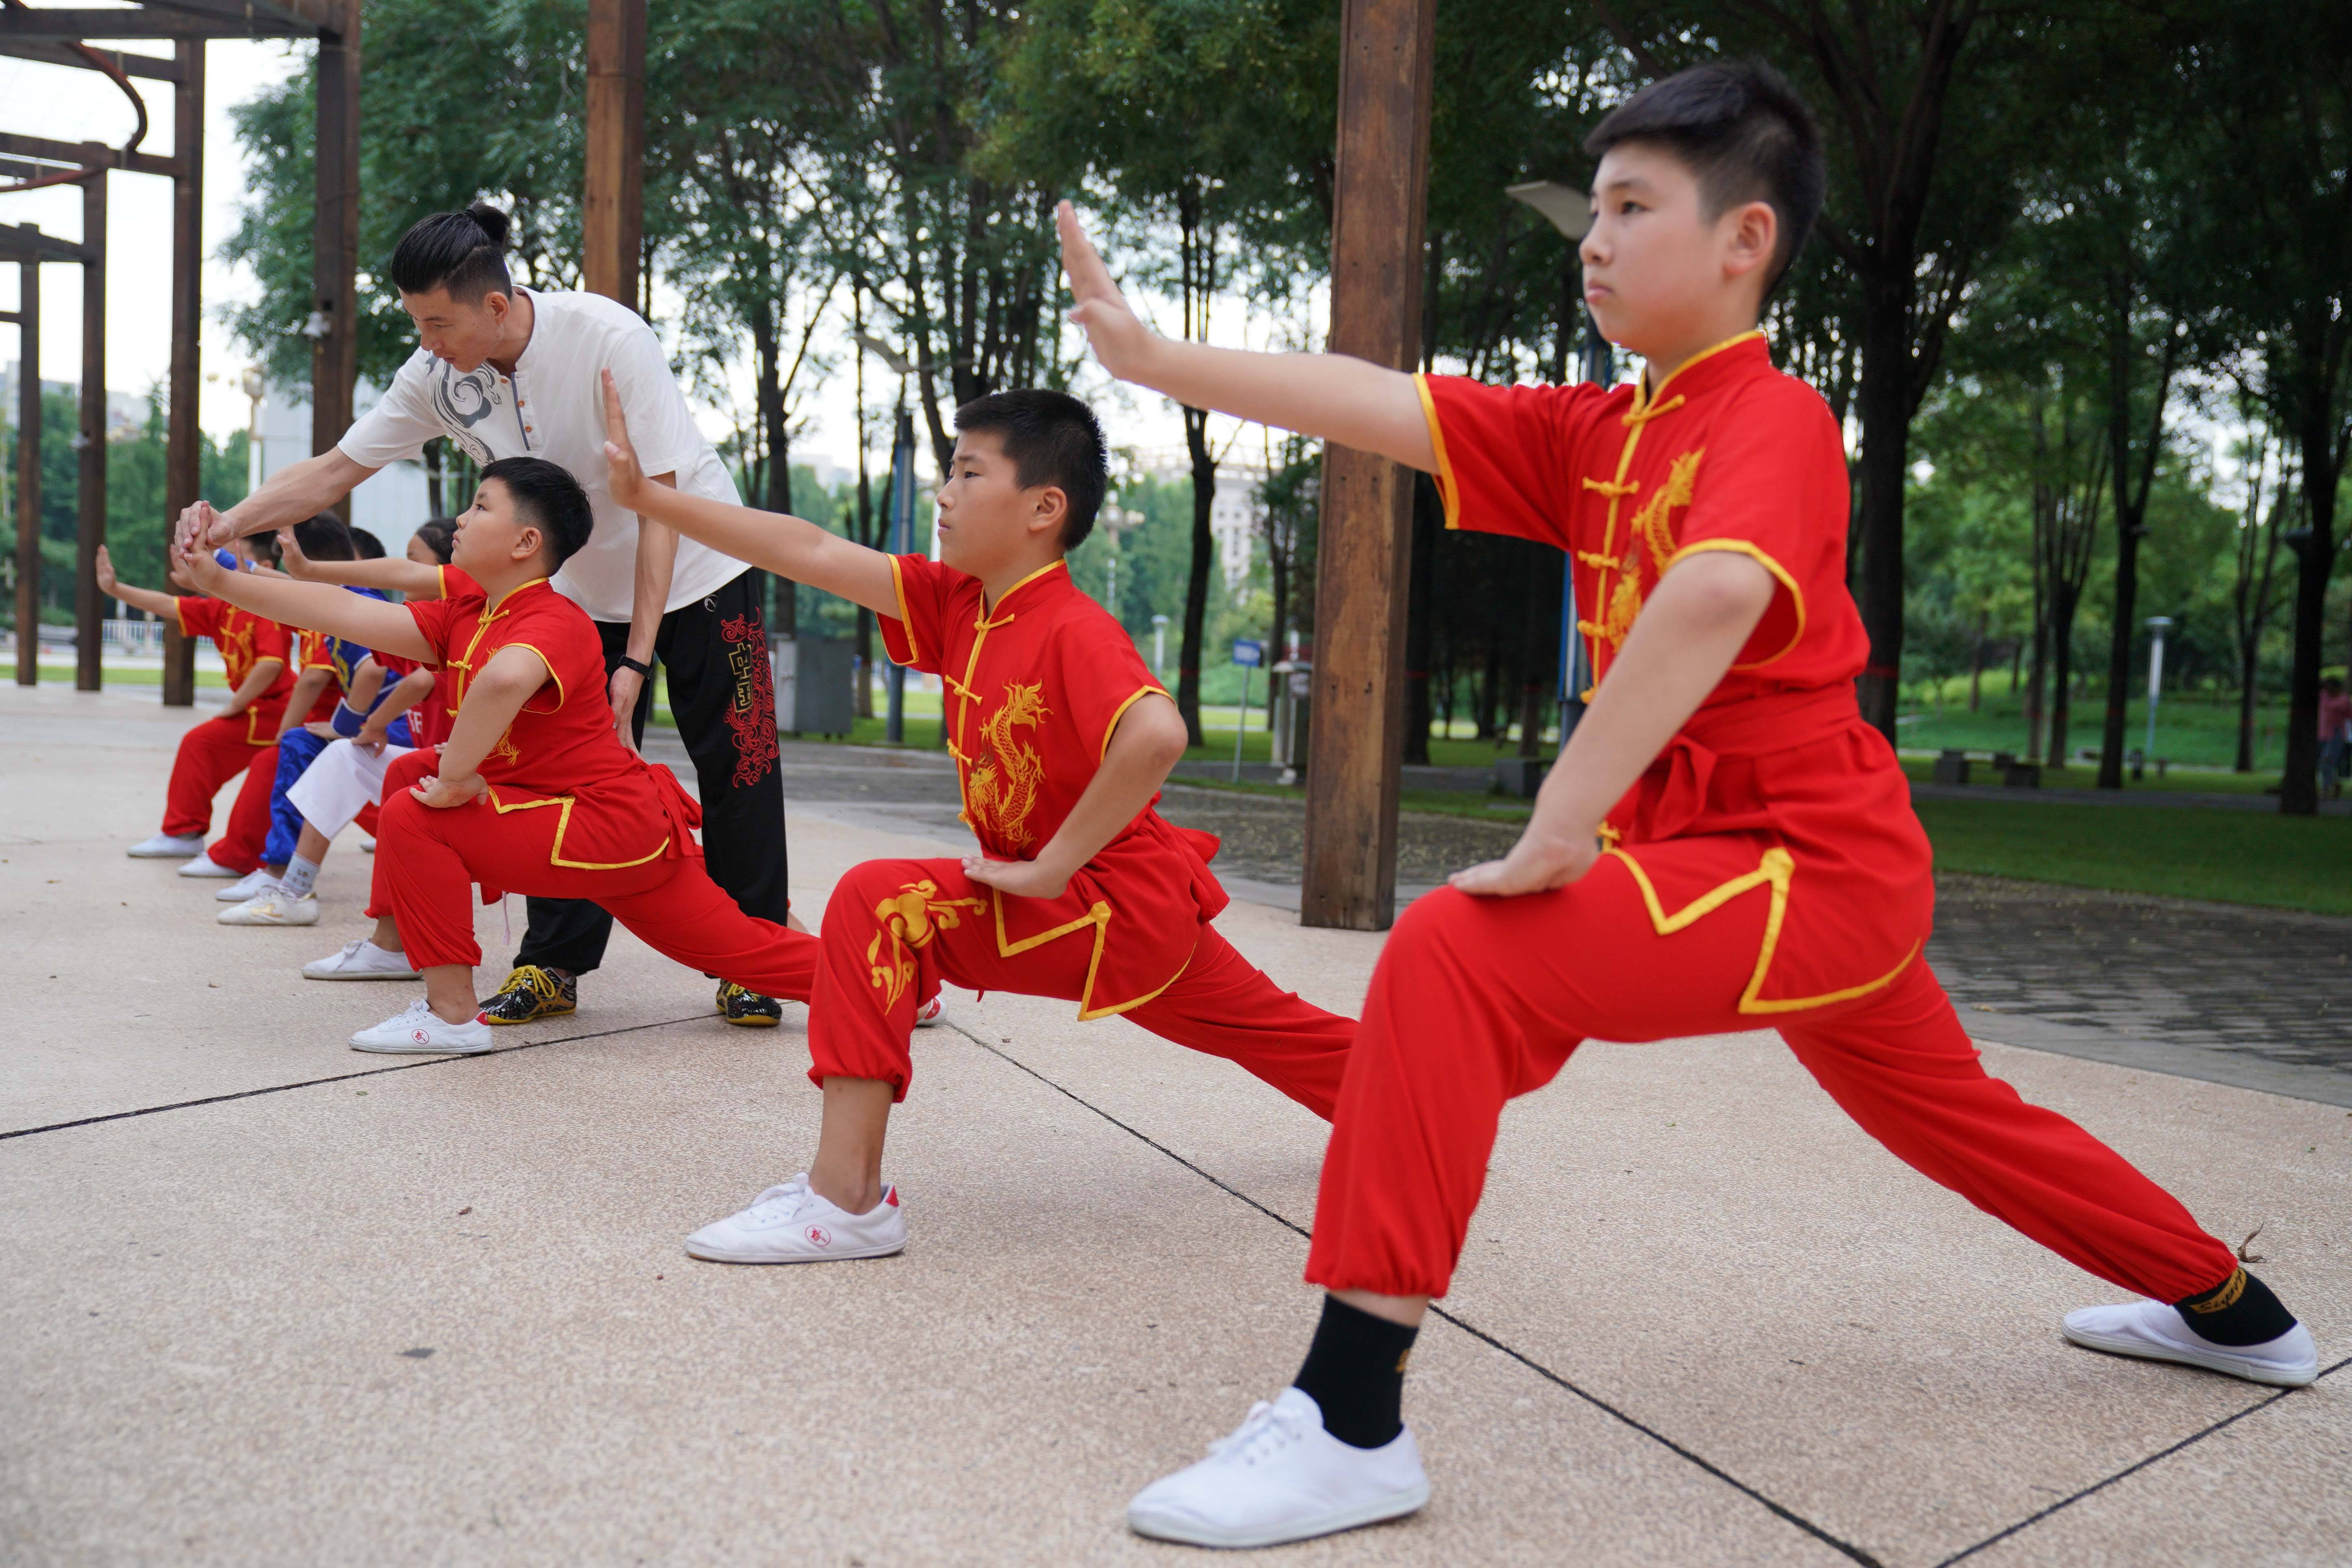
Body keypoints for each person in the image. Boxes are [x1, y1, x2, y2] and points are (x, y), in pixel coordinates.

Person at [1053, 62, 2320, 1550]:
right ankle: (2240, 1311)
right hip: (1739, 871)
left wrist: (1564, 818)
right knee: (1959, 1116)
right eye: (1592, 208)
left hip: (1803, 864)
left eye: (1635, 206)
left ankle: (1348, 1419)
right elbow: (1384, 402)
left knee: (1458, 951)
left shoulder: (1773, 419)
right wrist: (1154, 359)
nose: (1593, 239)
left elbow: (1717, 588)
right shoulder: (1604, 434)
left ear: (1746, 241)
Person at [598, 375, 1357, 1264]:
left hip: (1110, 900)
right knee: (1274, 1029)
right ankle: (1407, 1096)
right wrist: (653, 499)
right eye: (948, 473)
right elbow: (805, 546)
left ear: (1043, 506)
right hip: (1113, 901)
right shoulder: (962, 601)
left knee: (881, 904)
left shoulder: (1072, 625)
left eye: (966, 473)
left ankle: (845, 1201)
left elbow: (1156, 733)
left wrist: (1049, 866)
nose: (944, 494)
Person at [187, 202, 796, 1030]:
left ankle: (750, 958)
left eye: (438, 321)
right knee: (548, 770)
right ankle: (552, 962)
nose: (428, 341)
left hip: (696, 570)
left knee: (739, 765)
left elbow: (663, 506)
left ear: (498, 305)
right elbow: (335, 468)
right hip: (568, 590)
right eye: (417, 323)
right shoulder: (437, 374)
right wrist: (230, 527)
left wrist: (637, 655)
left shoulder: (608, 339)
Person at [170, 457, 821, 1053]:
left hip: (606, 826)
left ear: (525, 543)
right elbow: (340, 611)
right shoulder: (470, 611)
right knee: (408, 772)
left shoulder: (554, 618)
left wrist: (457, 779)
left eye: (481, 506)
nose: (461, 517)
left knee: (419, 813)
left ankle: (451, 1016)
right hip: (595, 825)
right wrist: (220, 581)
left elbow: (506, 680)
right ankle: (891, 986)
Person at [226, 522, 460, 933]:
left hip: (459, 764)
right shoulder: (414, 616)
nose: (404, 568)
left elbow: (390, 675)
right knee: (335, 756)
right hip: (430, 751)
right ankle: (292, 885)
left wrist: (354, 725)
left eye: (413, 559)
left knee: (314, 748)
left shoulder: (442, 614)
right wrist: (226, 563)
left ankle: (289, 881)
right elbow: (417, 680)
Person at [103, 542, 293, 879]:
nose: (220, 562)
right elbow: (169, 605)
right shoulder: (226, 607)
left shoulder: (268, 606)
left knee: (245, 760)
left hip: (278, 711)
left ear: (265, 565)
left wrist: (233, 705)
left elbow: (272, 664)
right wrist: (115, 589)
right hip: (258, 710)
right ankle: (184, 833)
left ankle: (199, 838)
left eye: (230, 556)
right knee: (201, 744)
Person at [2317, 676, 2349, 800]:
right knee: (2323, 763)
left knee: (2326, 762)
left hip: (2336, 735)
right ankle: (2334, 784)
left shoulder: (2344, 700)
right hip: (2322, 734)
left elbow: (2349, 717)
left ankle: (2325, 789)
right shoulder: (2324, 696)